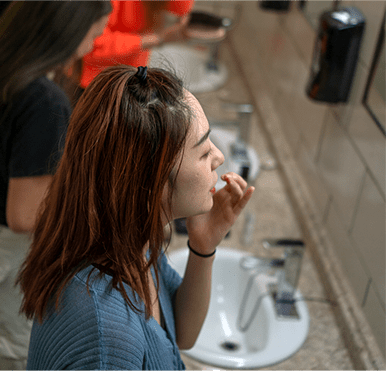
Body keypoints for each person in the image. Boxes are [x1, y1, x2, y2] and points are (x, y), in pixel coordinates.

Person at [17, 65, 255, 370]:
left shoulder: (131, 242)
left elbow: (180, 334)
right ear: (152, 181)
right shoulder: (107, 337)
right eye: (203, 151)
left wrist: (204, 245)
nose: (219, 157)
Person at [0, 2, 112, 369]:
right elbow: (23, 215)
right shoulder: (44, 101)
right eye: (96, 31)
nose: (97, 40)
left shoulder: (10, 65)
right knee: (14, 349)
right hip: (9, 251)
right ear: (68, 29)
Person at [80, 0, 194, 88]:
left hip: (132, 79)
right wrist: (156, 39)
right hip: (96, 83)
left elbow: (180, 9)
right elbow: (93, 47)